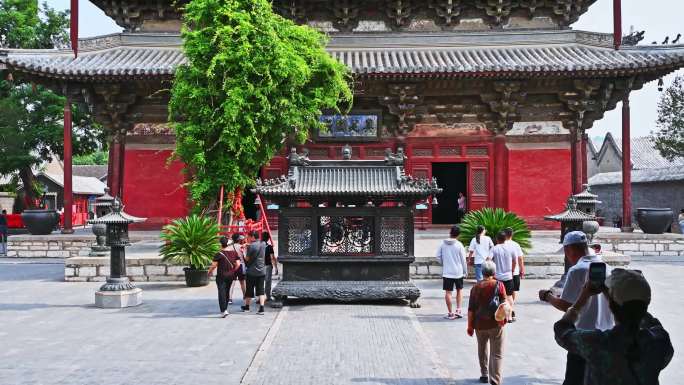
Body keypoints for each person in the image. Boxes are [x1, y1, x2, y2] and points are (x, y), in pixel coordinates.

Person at [554, 269, 673, 385]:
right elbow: (646, 318)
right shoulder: (660, 341)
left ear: (610, 305)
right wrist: (614, 298)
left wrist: (582, 298)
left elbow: (562, 330)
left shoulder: (598, 343)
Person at [538, 231, 614, 385]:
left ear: (569, 250)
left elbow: (566, 305)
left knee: (576, 378)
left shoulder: (577, 270)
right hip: (608, 334)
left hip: (583, 336)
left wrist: (547, 296)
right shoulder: (606, 267)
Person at [467, 261, 508, 385]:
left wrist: (470, 326)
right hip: (496, 323)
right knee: (497, 353)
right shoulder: (499, 285)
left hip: (479, 324)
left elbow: (471, 309)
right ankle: (495, 380)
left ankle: (484, 374)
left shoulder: (475, 288)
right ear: (494, 272)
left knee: (482, 348)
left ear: (482, 272)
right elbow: (505, 304)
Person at [436, 225, 468, 319]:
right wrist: (465, 271)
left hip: (447, 272)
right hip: (458, 272)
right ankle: (458, 310)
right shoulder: (459, 245)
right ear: (458, 235)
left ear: (450, 232)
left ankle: (450, 313)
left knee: (448, 293)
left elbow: (438, 257)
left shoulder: (442, 244)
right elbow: (463, 260)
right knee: (459, 290)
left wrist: (444, 263)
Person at [207, 236, 241, 317]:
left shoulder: (219, 254)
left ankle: (223, 310)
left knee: (221, 292)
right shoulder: (233, 252)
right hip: (231, 275)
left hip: (221, 275)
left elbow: (214, 265)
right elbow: (238, 264)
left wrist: (209, 272)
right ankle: (225, 308)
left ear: (220, 244)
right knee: (227, 291)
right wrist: (233, 270)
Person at [490, 231, 515, 318]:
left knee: (498, 296)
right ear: (505, 238)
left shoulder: (494, 248)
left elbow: (488, 259)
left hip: (498, 277)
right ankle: (510, 316)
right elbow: (514, 260)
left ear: (497, 239)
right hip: (508, 276)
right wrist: (512, 270)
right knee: (509, 296)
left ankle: (500, 315)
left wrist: (492, 271)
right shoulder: (511, 248)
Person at [242, 230, 267, 315]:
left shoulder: (251, 247)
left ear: (252, 236)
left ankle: (247, 306)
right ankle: (262, 308)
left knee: (249, 289)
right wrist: (248, 245)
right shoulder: (263, 244)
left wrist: (243, 252)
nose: (248, 238)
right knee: (261, 290)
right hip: (262, 271)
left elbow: (247, 259)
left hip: (252, 272)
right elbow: (257, 245)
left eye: (248, 236)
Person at [503, 227, 524, 320]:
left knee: (504, 292)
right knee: (513, 291)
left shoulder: (501, 245)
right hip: (514, 272)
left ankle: (506, 309)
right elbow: (520, 258)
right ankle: (511, 309)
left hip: (504, 272)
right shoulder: (516, 245)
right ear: (512, 234)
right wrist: (522, 269)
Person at [228, 233, 246, 304]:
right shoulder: (242, 247)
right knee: (242, 282)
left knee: (232, 282)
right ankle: (245, 296)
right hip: (241, 265)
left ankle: (230, 298)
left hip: (232, 265)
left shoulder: (230, 247)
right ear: (239, 240)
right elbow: (245, 256)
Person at [262, 231, 278, 302]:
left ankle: (260, 297)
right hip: (267, 266)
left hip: (259, 266)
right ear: (268, 238)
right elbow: (272, 257)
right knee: (268, 282)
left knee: (260, 282)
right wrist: (276, 267)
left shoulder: (258, 246)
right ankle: (267, 296)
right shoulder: (269, 247)